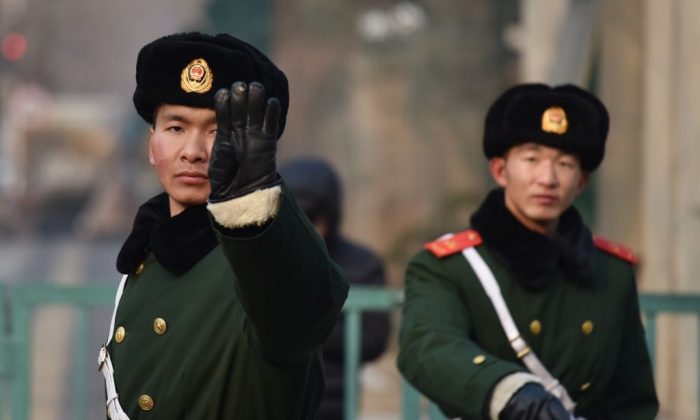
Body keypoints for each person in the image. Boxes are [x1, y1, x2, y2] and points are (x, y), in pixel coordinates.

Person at [97, 32, 349, 420]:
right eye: (176, 128)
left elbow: (302, 314)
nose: (194, 151)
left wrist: (254, 206)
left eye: (217, 132)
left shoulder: (263, 254)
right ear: (151, 144)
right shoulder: (147, 253)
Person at [397, 83, 658, 419]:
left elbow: (632, 402)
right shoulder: (449, 267)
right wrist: (510, 392)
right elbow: (427, 348)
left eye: (564, 164)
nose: (547, 178)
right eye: (532, 159)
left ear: (581, 181)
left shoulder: (612, 273)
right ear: (500, 170)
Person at [280, 157, 390, 419]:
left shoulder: (362, 264)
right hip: (267, 399)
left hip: (333, 401)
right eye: (295, 213)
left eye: (312, 216)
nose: (305, 226)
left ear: (331, 215)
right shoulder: (260, 260)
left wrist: (301, 325)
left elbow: (373, 338)